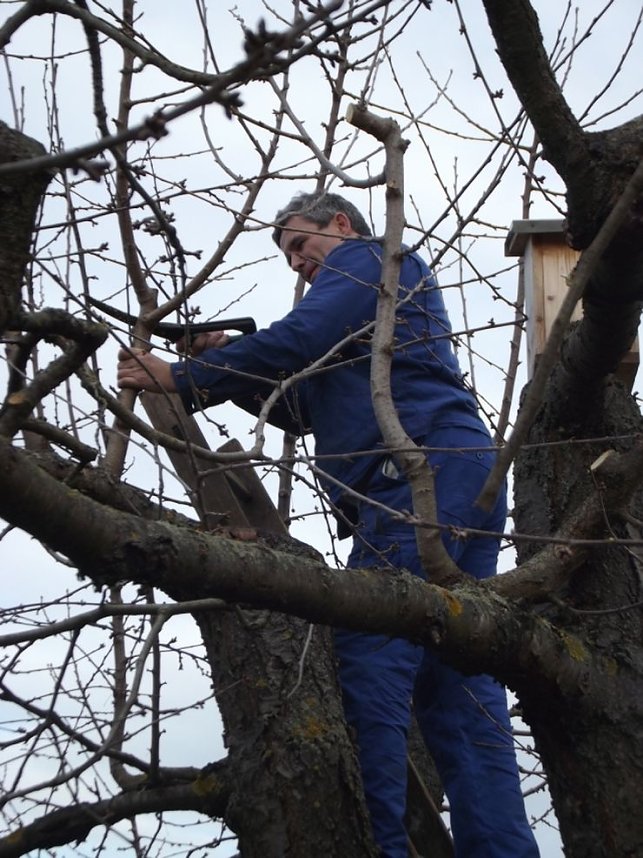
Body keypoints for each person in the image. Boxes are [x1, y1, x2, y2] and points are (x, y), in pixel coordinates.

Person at [117, 192, 539, 858]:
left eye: (297, 242)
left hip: (418, 481)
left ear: (339, 225)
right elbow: (303, 406)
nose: (296, 261)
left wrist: (183, 374)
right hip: (445, 478)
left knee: (369, 656)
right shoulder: (361, 316)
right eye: (286, 253)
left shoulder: (372, 259)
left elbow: (300, 337)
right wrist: (224, 359)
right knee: (454, 696)